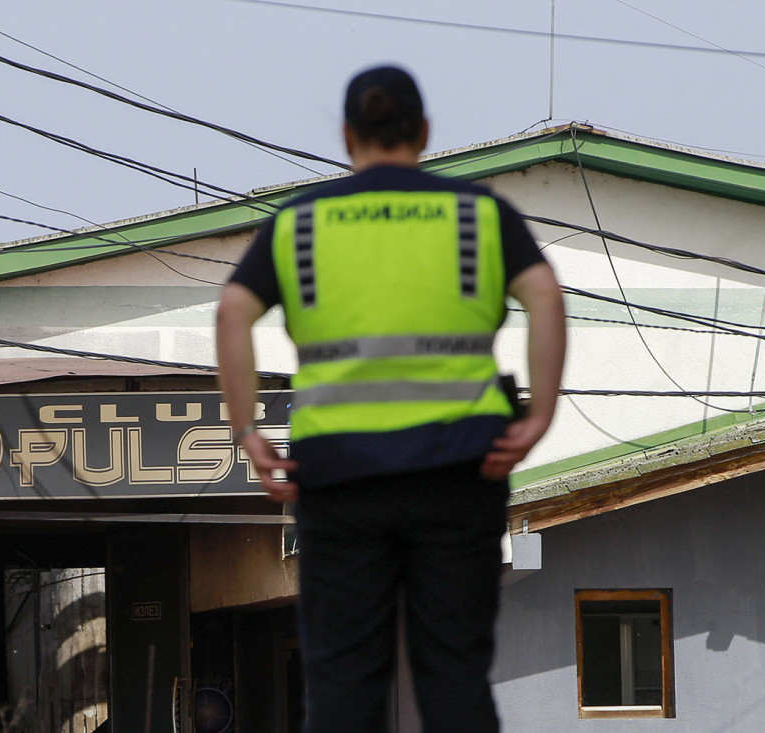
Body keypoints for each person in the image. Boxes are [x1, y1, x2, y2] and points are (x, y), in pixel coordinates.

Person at [216, 65, 565, 733]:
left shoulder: (302, 221)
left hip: (340, 475)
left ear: (348, 136)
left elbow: (234, 310)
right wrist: (540, 412)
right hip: (462, 466)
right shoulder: (478, 214)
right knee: (454, 673)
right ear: (425, 133)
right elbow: (545, 295)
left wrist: (248, 432)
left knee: (345, 682)